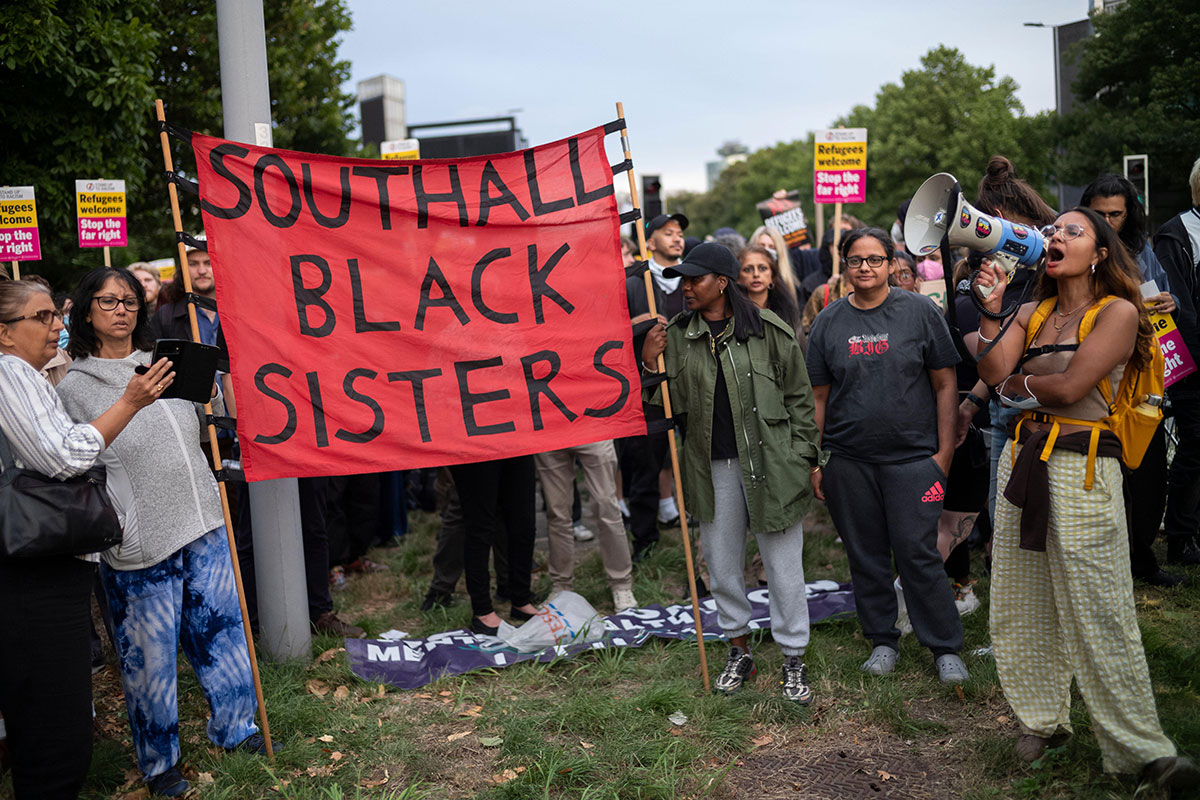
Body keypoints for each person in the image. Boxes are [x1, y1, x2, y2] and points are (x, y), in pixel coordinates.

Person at [974, 209, 1198, 788]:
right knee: (1020, 598)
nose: (1057, 237)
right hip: (1021, 463)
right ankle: (1042, 719)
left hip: (1084, 470)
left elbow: (1072, 388)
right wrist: (992, 308)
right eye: (1053, 231)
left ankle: (1140, 749)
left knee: (1100, 607)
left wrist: (1023, 386)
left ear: (1099, 253)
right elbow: (995, 371)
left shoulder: (1119, 312)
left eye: (1073, 231)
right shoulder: (1031, 309)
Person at [56, 268, 265, 798]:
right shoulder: (74, 387)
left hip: (203, 521)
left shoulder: (167, 365)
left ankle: (237, 730)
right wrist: (131, 400)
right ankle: (160, 764)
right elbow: (78, 457)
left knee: (223, 635)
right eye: (108, 302)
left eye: (129, 301)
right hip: (140, 541)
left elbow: (205, 428)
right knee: (149, 659)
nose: (122, 310)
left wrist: (216, 390)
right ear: (85, 313)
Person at [0, 278, 171, 799]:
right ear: (5, 333)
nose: (58, 325)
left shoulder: (25, 373)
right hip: (36, 570)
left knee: (43, 715)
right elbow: (63, 456)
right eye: (43, 316)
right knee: (56, 728)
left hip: (39, 568)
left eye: (57, 314)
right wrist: (130, 402)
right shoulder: (9, 371)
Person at [640, 242, 820, 704]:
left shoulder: (769, 330)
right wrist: (648, 362)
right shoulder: (676, 334)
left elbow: (801, 399)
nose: (686, 288)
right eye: (682, 279)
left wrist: (803, 458)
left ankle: (794, 658)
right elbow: (666, 406)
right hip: (710, 468)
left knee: (783, 571)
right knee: (721, 568)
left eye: (695, 279)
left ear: (722, 282)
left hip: (773, 466)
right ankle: (738, 650)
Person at [807, 228, 968, 685]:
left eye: (874, 259)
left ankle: (944, 646)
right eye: (856, 260)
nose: (865, 268)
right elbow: (818, 398)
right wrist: (817, 461)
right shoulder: (828, 322)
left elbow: (945, 385)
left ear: (890, 262)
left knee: (918, 553)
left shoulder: (919, 312)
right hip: (849, 460)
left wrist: (942, 456)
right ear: (844, 265)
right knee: (866, 555)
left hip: (914, 460)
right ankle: (882, 639)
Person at [1082, 173, 1181, 585]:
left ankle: (1142, 558)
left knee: (1149, 471)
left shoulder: (1142, 249)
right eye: (1100, 213)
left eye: (1116, 214)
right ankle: (1109, 563)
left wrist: (1170, 302)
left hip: (1142, 378)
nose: (1108, 220)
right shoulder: (1073, 248)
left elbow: (1163, 296)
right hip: (1094, 383)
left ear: (1130, 214)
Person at [622, 213, 689, 561]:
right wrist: (632, 325)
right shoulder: (633, 280)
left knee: (691, 458)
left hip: (689, 385)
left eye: (679, 234)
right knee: (645, 465)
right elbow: (606, 327)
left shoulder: (691, 279)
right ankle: (644, 542)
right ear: (650, 242)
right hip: (646, 387)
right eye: (668, 233)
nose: (676, 239)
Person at [1152, 157, 1200, 569]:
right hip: (1193, 365)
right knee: (1195, 446)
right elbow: (1178, 307)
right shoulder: (1176, 233)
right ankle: (1181, 537)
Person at [535, 440, 638, 612]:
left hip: (592, 423)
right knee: (557, 512)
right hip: (550, 426)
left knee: (606, 506)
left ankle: (621, 585)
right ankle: (561, 586)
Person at [450, 455, 540, 636]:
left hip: (515, 440)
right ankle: (483, 612)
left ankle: (521, 599)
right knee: (480, 528)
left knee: (524, 523)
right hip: (473, 444)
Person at [737, 244, 801, 332]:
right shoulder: (731, 313)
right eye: (748, 269)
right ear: (738, 278)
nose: (756, 274)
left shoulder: (786, 311)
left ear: (772, 275)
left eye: (762, 268)